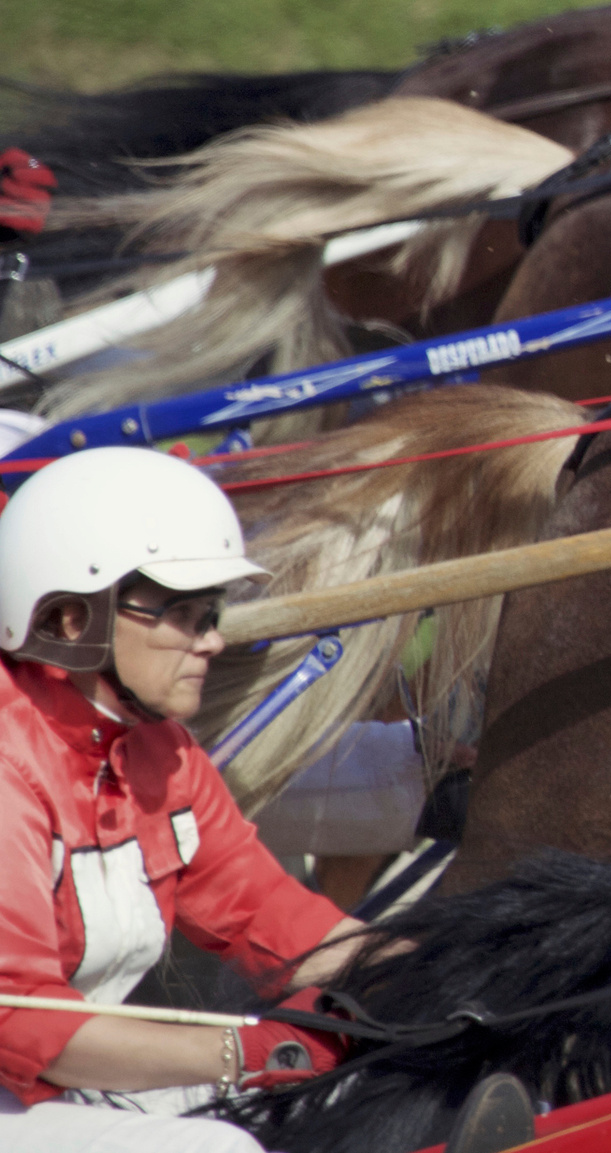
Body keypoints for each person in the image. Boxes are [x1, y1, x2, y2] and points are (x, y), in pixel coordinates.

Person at [0, 447, 367, 1150]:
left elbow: (269, 916)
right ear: (73, 620)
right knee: (218, 1147)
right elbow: (21, 1022)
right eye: (185, 615)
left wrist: (443, 967)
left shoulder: (161, 750)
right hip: (21, 1075)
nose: (214, 641)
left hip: (56, 1089)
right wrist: (247, 1053)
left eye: (212, 613)